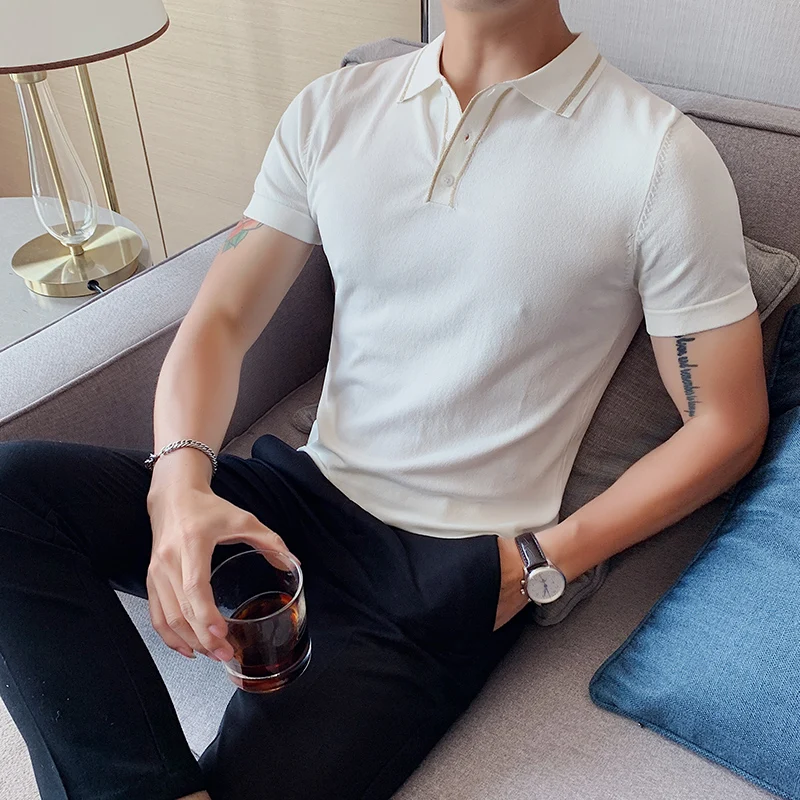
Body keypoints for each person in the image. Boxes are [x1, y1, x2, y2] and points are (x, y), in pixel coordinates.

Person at [0, 0, 769, 798]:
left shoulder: (660, 158)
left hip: (442, 575)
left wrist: (543, 562)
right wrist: (178, 488)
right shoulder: (333, 108)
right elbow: (221, 319)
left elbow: (729, 422)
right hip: (292, 499)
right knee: (10, 492)